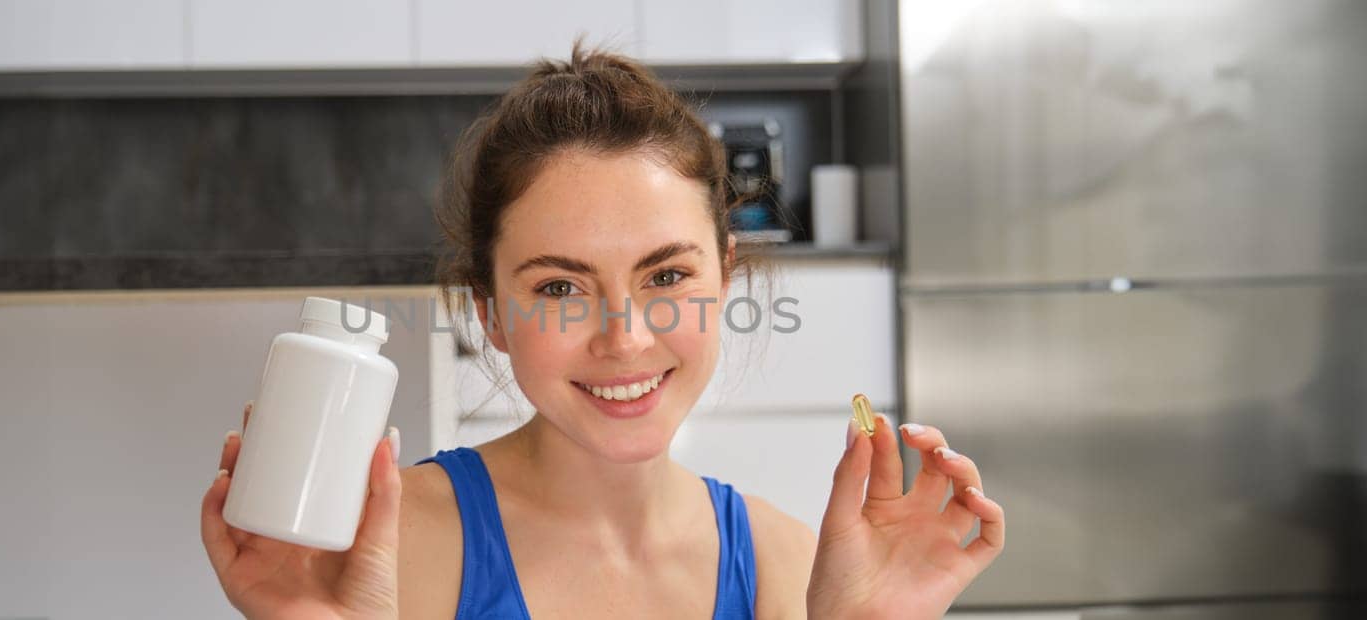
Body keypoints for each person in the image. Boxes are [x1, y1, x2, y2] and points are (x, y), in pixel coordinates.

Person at [201, 43, 1005, 619]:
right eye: (559, 286)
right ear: (491, 314)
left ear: (725, 277)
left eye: (665, 275)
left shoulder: (793, 570)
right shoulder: (381, 549)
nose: (623, 338)